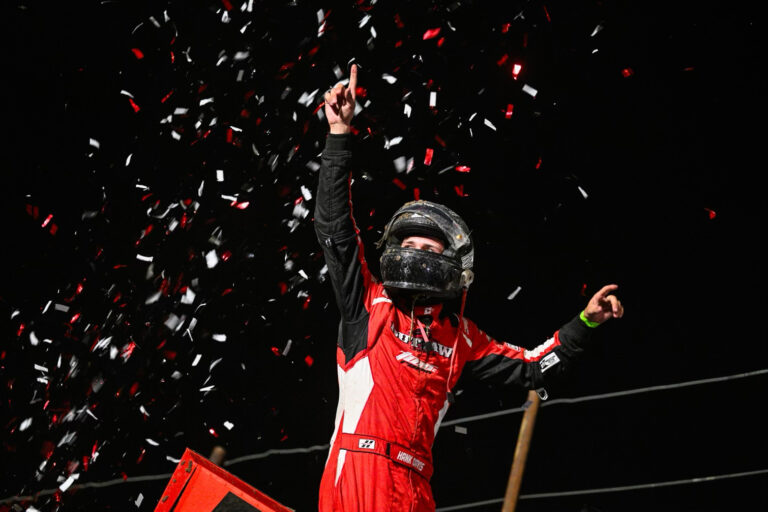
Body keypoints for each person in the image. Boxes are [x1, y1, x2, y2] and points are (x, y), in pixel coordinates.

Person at [313, 64, 624, 512]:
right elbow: (334, 228)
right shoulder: (367, 302)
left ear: (450, 264)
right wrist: (340, 134)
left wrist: (585, 322)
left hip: (417, 484)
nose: (418, 253)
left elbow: (533, 369)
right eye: (411, 244)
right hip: (360, 470)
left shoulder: (461, 337)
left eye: (430, 248)